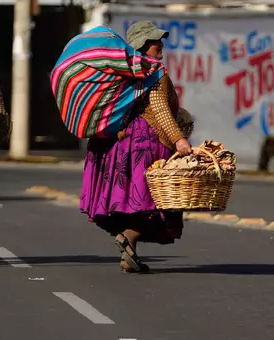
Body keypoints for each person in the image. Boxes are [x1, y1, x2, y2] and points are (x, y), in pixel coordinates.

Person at [79, 21, 193, 274]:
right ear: (142, 46)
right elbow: (160, 109)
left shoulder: (118, 73)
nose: (160, 45)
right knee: (158, 201)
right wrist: (179, 139)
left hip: (113, 144)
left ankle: (128, 254)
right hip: (144, 144)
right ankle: (128, 237)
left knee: (128, 201)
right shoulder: (153, 71)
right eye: (155, 42)